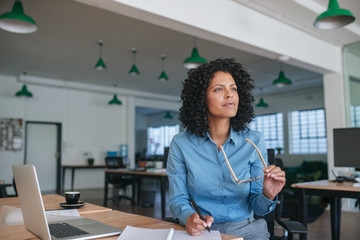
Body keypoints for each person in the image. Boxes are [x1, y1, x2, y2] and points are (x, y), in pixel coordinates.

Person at [166, 58, 286, 239]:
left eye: (234, 89)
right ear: (201, 98)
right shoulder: (181, 144)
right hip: (201, 231)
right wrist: (189, 217)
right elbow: (179, 199)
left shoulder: (254, 141)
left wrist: (268, 194)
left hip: (247, 231)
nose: (229, 95)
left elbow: (259, 208)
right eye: (218, 89)